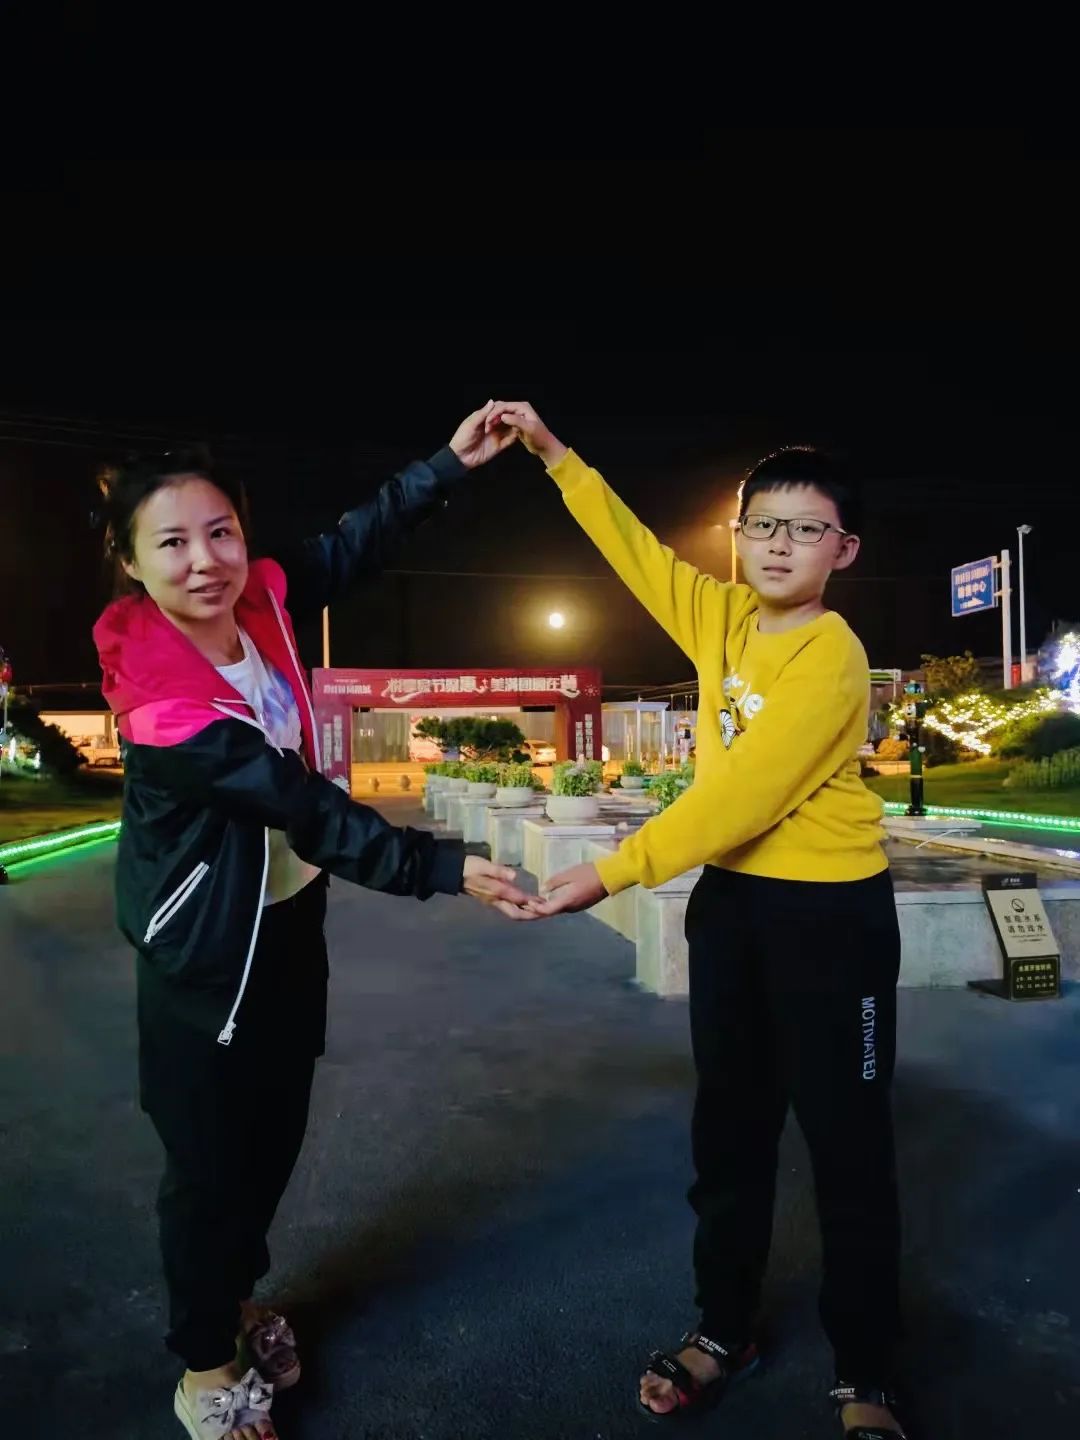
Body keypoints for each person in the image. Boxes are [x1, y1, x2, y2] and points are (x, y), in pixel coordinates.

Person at [92, 404, 537, 1440]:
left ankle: (236, 1300)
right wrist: (440, 867)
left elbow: (346, 543)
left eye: (221, 533)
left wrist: (447, 466)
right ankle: (205, 1365)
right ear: (131, 564)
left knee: (272, 1138)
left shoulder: (262, 602)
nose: (205, 561)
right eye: (172, 543)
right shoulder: (162, 701)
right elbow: (304, 808)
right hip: (207, 953)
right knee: (209, 1169)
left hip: (286, 922)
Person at [488, 403, 906, 1440]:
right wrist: (555, 456)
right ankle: (725, 1329)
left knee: (849, 1150)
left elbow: (741, 799)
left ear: (844, 549)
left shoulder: (833, 656)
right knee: (730, 1133)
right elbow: (634, 550)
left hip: (831, 918)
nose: (779, 544)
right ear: (737, 536)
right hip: (733, 910)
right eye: (762, 525)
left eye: (805, 528)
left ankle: (867, 1374)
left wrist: (613, 872)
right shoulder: (719, 617)